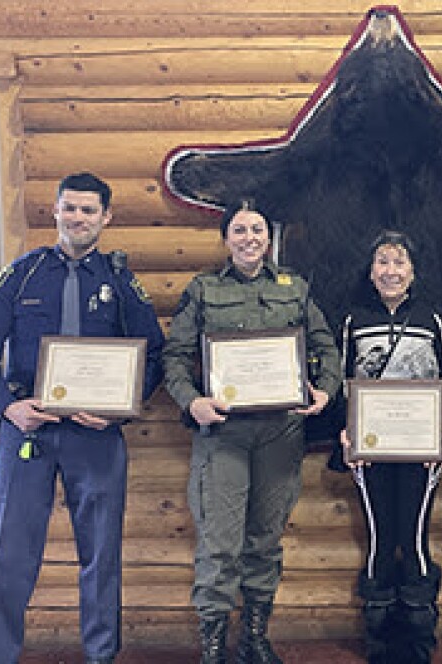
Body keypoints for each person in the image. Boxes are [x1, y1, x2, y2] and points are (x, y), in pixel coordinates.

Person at [0, 172, 165, 664]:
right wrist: (6, 407)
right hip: (27, 430)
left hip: (95, 437)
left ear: (106, 218)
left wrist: (118, 412)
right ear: (54, 211)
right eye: (69, 208)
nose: (78, 218)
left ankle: (101, 656)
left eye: (89, 210)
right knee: (11, 555)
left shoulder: (121, 280)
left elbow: (154, 354)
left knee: (100, 556)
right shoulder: (22, 274)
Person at [163, 202, 341, 664]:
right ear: (226, 240)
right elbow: (175, 357)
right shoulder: (202, 290)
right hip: (223, 434)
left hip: (280, 434)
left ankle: (255, 638)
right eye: (239, 230)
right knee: (220, 544)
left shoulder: (294, 288)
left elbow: (325, 345)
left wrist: (324, 390)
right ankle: (214, 647)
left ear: (269, 238)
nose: (249, 238)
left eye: (257, 229)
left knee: (264, 540)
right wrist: (192, 401)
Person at [335, 231, 442, 664]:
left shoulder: (433, 321)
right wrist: (346, 433)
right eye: (382, 262)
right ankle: (379, 634)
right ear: (370, 272)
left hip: (421, 449)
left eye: (399, 262)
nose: (391, 271)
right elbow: (340, 381)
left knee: (415, 537)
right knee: (381, 536)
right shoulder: (353, 321)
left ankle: (420, 635)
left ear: (413, 271)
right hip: (370, 449)